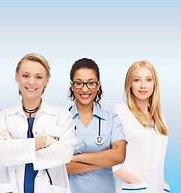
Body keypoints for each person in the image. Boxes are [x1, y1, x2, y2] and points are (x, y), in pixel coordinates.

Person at [0, 53, 76, 193]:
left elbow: (64, 153)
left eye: (38, 77)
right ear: (16, 77)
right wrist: (46, 141)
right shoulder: (2, 117)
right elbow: (2, 152)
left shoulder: (62, 116)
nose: (31, 82)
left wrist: (14, 147)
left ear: (46, 80)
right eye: (25, 76)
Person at [65, 58, 126, 193]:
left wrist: (75, 158)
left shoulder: (111, 119)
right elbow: (60, 166)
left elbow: (119, 156)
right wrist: (104, 161)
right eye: (79, 83)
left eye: (91, 83)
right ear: (72, 85)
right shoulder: (61, 119)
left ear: (98, 85)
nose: (85, 89)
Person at [111, 60, 169, 192]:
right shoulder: (121, 111)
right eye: (137, 80)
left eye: (148, 80)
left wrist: (163, 183)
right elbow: (106, 159)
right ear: (129, 83)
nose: (143, 85)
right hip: (134, 189)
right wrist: (135, 181)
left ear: (155, 84)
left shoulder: (161, 119)